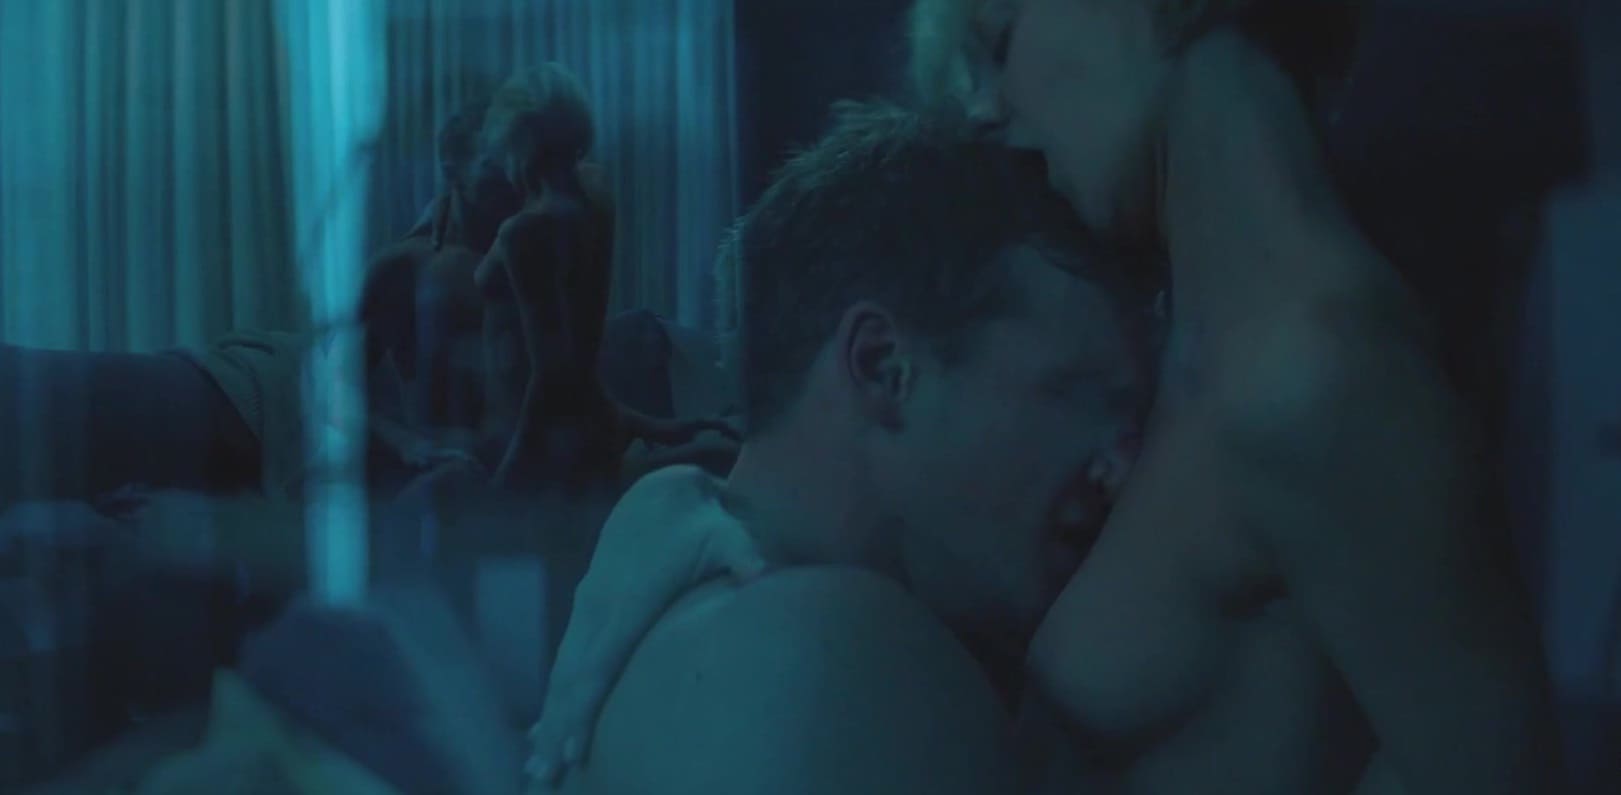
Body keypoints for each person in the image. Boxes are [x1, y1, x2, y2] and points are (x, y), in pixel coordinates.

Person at [526, 1, 1561, 793]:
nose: (986, 107)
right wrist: (670, 506)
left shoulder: (1319, 370)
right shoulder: (1190, 365)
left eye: (1000, 39)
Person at [527, 100, 1149, 795]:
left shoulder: (726, 620)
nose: (1124, 467)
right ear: (885, 367)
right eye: (1079, 395)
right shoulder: (831, 654)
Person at [473, 64, 737, 489]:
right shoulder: (593, 196)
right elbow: (577, 363)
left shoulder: (525, 231)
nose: (498, 162)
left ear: (518, 139)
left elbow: (551, 374)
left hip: (537, 448)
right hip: (581, 432)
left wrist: (507, 480)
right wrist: (645, 424)